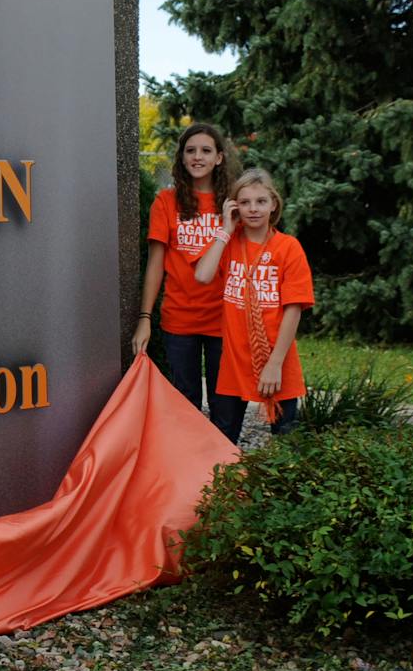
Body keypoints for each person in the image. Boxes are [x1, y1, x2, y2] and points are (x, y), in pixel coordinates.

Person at [132, 123, 240, 439]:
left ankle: (227, 475)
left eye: (206, 151)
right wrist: (145, 318)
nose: (197, 157)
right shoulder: (167, 202)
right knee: (185, 406)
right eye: (190, 151)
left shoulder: (232, 203)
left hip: (225, 318)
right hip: (180, 318)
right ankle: (192, 482)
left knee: (227, 408)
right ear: (181, 158)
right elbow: (155, 264)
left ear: (219, 158)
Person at [193, 168, 313, 439]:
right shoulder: (229, 244)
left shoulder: (288, 247)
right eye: (245, 202)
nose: (253, 209)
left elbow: (293, 311)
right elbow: (202, 275)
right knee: (223, 442)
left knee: (285, 443)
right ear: (234, 207)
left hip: (277, 361)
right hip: (234, 364)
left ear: (273, 204)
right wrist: (225, 229)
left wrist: (274, 364)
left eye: (260, 201)